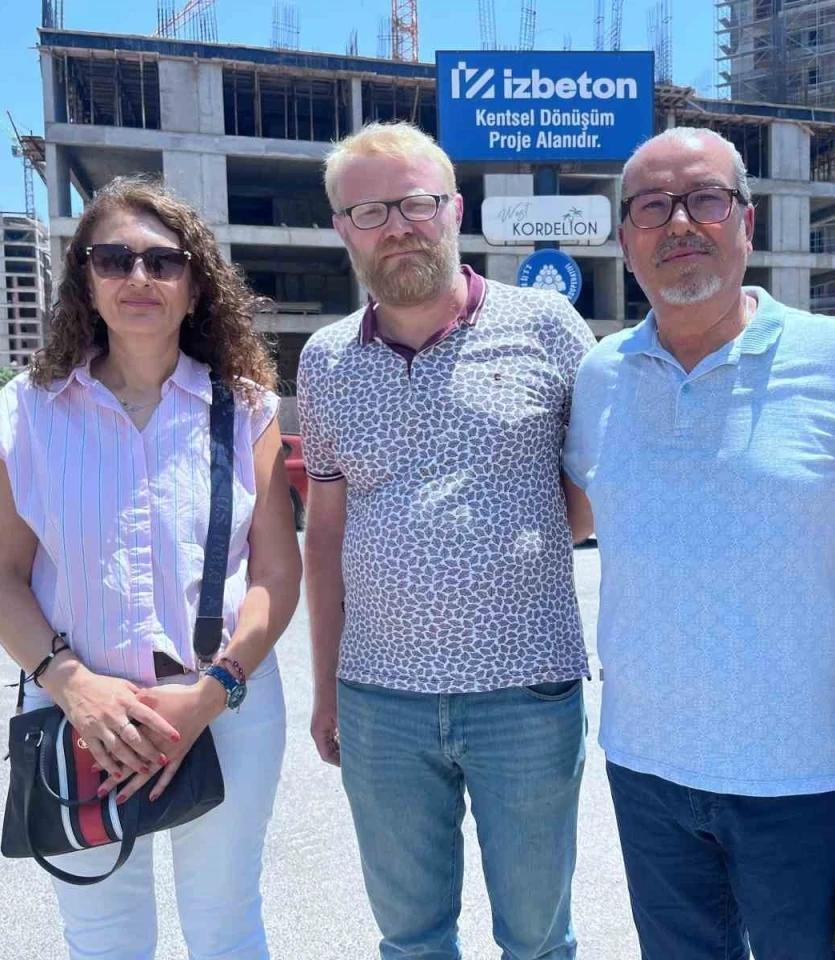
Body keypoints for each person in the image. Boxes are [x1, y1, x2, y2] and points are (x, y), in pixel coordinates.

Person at [562, 127, 835, 959]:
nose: (679, 224)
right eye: (653, 207)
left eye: (704, 199)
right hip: (647, 765)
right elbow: (575, 515)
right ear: (625, 239)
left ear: (746, 221)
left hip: (802, 777)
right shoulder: (601, 376)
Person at [0, 175, 301, 960]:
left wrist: (212, 691)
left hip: (224, 705)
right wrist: (72, 685)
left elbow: (275, 577)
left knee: (226, 930)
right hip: (76, 711)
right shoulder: (31, 411)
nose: (139, 277)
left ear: (196, 286)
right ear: (86, 280)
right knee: (103, 941)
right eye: (114, 259)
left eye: (163, 260)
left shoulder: (247, 409)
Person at [297, 121, 597, 960]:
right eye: (369, 212)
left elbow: (586, 502)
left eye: (416, 204)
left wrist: (500, 555)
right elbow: (325, 536)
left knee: (537, 939)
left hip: (525, 694)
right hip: (379, 701)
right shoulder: (324, 361)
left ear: (455, 210)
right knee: (411, 938)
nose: (397, 227)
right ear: (343, 229)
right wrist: (327, 688)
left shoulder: (548, 327)